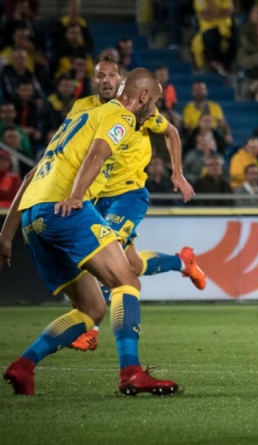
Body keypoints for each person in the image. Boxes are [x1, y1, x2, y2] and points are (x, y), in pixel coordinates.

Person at [0, 68, 180, 396]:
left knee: (91, 309)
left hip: (33, 217)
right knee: (126, 281)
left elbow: (29, 176)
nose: (154, 109)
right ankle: (131, 373)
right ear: (142, 96)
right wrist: (76, 196)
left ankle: (23, 366)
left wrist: (5, 236)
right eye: (154, 101)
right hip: (64, 207)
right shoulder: (120, 115)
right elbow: (99, 152)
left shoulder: (80, 119)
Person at [66, 59, 204, 351]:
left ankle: (91, 329)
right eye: (100, 75)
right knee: (133, 265)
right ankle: (183, 262)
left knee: (103, 253)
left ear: (122, 81)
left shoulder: (141, 111)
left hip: (129, 194)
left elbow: (171, 132)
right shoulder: (83, 108)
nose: (106, 80)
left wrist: (177, 173)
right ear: (93, 81)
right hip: (97, 197)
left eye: (111, 75)